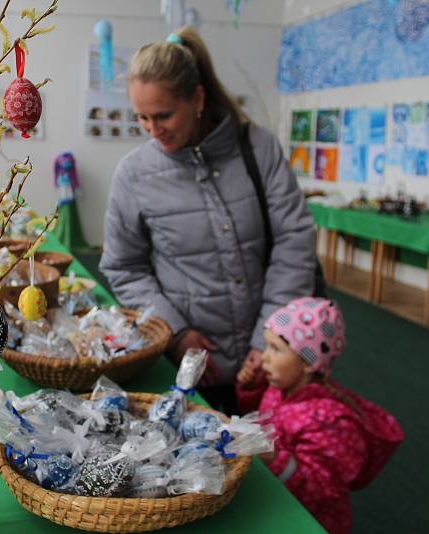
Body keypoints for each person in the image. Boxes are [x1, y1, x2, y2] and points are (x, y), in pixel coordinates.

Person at [99, 26, 316, 413]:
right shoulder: (133, 173)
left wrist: (271, 335)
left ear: (197, 98)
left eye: (163, 115)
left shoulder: (257, 147)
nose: (153, 130)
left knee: (281, 463)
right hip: (193, 367)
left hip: (272, 361)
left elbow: (294, 242)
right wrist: (175, 332)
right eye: (141, 118)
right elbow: (124, 267)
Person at [236, 297, 403, 534]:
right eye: (266, 346)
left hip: (312, 521)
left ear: (308, 362)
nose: (264, 357)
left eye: (276, 349)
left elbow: (321, 490)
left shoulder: (330, 421)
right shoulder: (280, 386)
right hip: (278, 497)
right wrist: (250, 387)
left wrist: (274, 459)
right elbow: (262, 413)